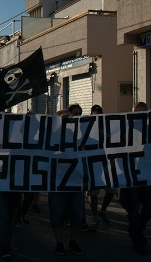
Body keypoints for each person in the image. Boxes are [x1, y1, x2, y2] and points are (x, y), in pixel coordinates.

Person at [119, 102, 151, 255]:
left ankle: (136, 228)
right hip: (132, 175)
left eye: (143, 113)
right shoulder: (125, 128)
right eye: (137, 114)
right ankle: (138, 240)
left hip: (150, 175)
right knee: (133, 209)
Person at [48, 104, 84, 255]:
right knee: (57, 214)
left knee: (77, 214)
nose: (73, 118)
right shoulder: (51, 136)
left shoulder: (83, 134)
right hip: (57, 183)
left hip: (76, 182)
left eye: (77, 114)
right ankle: (59, 242)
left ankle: (73, 241)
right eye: (68, 116)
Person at [84, 105, 116, 227]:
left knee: (111, 189)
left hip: (106, 163)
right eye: (95, 114)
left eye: (99, 114)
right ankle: (95, 215)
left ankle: (102, 211)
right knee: (92, 192)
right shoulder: (86, 127)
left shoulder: (108, 127)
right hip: (92, 163)